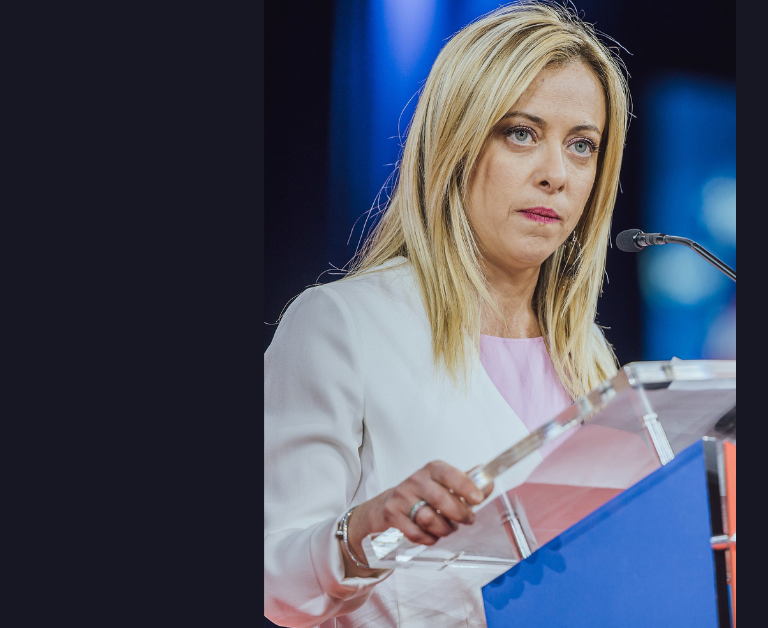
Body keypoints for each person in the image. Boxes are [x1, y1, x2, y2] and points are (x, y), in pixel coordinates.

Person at [264, 3, 629, 626]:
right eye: (521, 133)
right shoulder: (340, 325)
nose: (556, 175)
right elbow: (272, 578)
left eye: (581, 146)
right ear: (456, 142)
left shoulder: (590, 356)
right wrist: (362, 532)